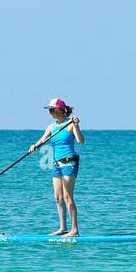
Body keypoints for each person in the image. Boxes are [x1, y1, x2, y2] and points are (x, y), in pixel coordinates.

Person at [28, 97, 85, 237]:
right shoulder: (51, 127)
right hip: (56, 164)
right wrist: (34, 146)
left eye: (52, 110)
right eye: (50, 110)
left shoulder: (70, 124)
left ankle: (75, 230)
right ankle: (63, 228)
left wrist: (76, 125)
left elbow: (81, 142)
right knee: (58, 198)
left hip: (69, 163)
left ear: (60, 110)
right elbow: (42, 140)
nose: (50, 112)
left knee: (68, 197)